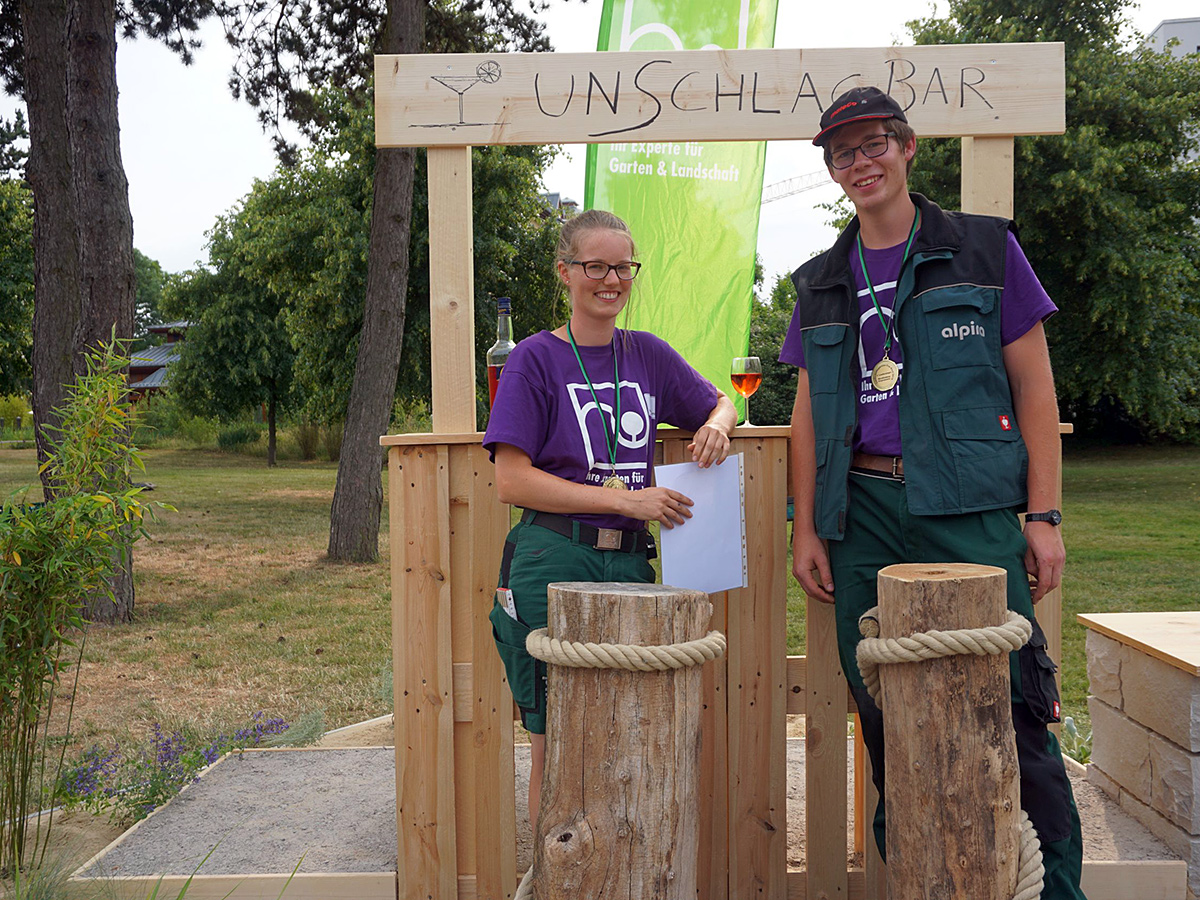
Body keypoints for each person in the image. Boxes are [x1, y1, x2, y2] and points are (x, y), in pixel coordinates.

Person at [781, 87, 1086, 899]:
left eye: (873, 143)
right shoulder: (818, 282)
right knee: (888, 723)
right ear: (833, 170)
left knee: (1015, 711)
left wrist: (1045, 515)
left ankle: (1053, 889)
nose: (860, 162)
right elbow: (807, 415)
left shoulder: (985, 250)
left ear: (908, 146)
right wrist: (805, 526)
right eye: (842, 153)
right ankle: (926, 881)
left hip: (970, 512)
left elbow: (1036, 388)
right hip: (864, 521)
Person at [483, 208, 737, 828]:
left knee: (625, 726)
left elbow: (723, 400)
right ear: (565, 273)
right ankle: (554, 875)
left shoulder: (646, 354)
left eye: (623, 267)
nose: (611, 279)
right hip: (551, 556)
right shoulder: (535, 360)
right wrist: (626, 498)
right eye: (595, 266)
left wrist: (714, 426)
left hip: (627, 560)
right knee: (555, 735)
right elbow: (510, 480)